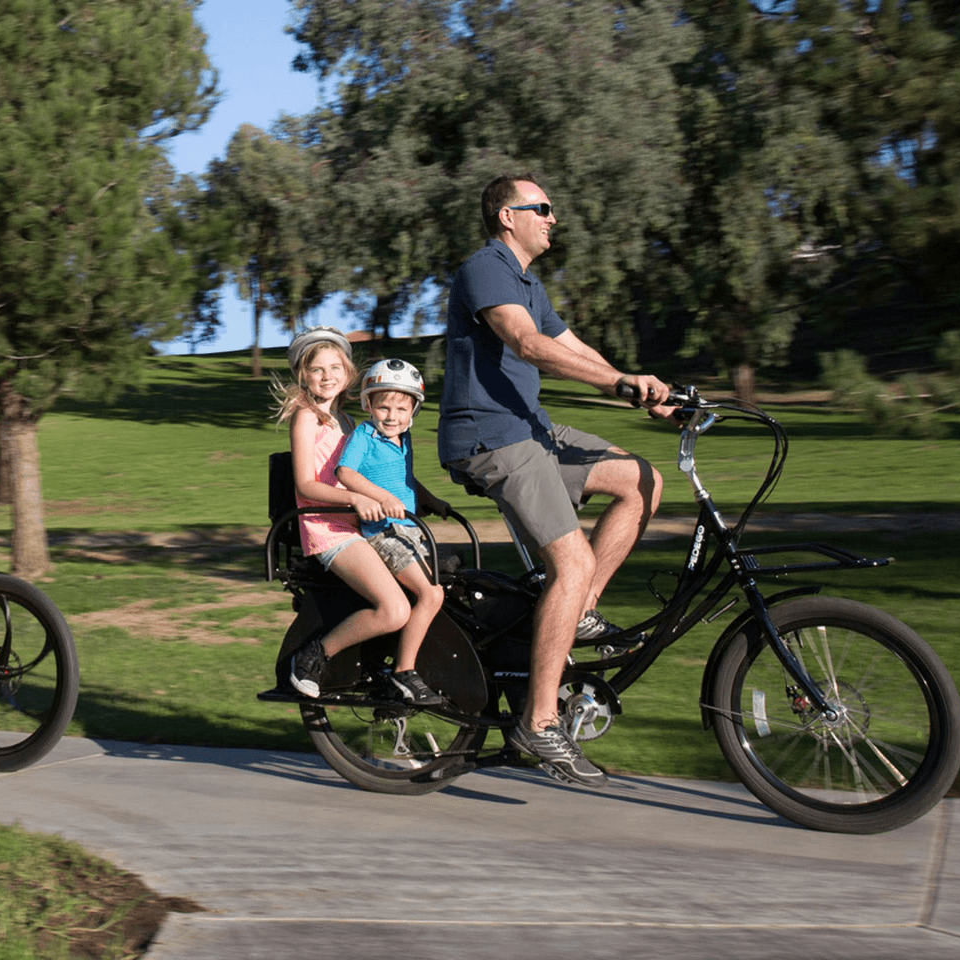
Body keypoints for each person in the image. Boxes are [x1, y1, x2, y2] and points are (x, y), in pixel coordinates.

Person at [437, 174, 672, 787]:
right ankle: (538, 723)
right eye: (541, 208)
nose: (552, 218)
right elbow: (528, 344)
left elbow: (573, 346)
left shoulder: (528, 283)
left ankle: (580, 610)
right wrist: (616, 383)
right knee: (572, 562)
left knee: (643, 480)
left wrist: (643, 390)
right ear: (506, 216)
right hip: (491, 438)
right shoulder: (485, 268)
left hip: (531, 430)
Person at [276, 328, 440, 703]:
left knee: (424, 589)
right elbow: (305, 485)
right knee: (394, 609)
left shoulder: (349, 423)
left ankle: (391, 665)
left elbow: (382, 474)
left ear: (348, 373)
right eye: (317, 369)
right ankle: (313, 656)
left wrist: (426, 498)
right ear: (303, 375)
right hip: (328, 530)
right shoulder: (306, 418)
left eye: (335, 368)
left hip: (362, 529)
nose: (327, 376)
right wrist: (354, 499)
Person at [333, 358, 452, 706]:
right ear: (368, 404)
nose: (391, 416)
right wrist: (381, 498)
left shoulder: (404, 438)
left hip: (410, 530)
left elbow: (405, 479)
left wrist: (431, 500)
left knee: (447, 586)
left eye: (401, 409)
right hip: (383, 532)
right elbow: (345, 473)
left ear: (414, 409)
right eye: (383, 407)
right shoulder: (364, 435)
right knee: (431, 594)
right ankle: (404, 672)